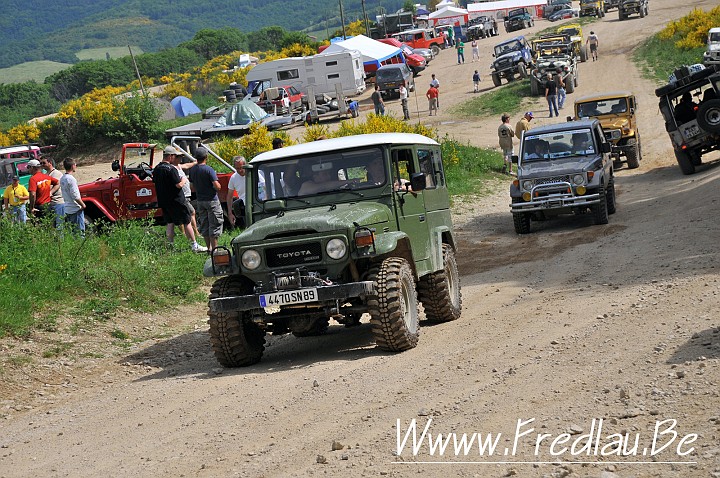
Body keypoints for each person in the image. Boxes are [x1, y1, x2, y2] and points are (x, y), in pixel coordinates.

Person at [154, 146, 207, 252]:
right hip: (177, 200)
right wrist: (183, 179)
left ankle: (170, 246)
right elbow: (178, 185)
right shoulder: (171, 169)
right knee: (187, 221)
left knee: (170, 222)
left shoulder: (157, 169)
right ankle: (194, 245)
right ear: (170, 156)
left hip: (164, 201)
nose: (174, 158)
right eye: (173, 156)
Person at [188, 147, 223, 251]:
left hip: (200, 201)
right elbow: (217, 186)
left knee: (204, 225)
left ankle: (209, 249)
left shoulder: (193, 170)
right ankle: (215, 250)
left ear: (196, 158)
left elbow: (191, 187)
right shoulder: (209, 169)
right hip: (212, 200)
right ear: (206, 157)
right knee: (214, 224)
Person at [59, 158, 86, 235]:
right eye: (75, 165)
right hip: (75, 208)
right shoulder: (71, 179)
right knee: (80, 232)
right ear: (72, 166)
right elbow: (75, 195)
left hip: (67, 208)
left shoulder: (62, 178)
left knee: (73, 232)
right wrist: (83, 204)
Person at [40, 157, 65, 227]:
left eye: (44, 163)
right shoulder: (46, 174)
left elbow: (57, 184)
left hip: (58, 202)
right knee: (52, 226)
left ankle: (61, 238)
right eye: (41, 163)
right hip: (49, 203)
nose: (42, 165)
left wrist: (50, 193)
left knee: (59, 225)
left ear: (50, 163)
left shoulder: (56, 173)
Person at [227, 155, 247, 229]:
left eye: (241, 168)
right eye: (237, 168)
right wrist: (230, 213)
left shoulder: (253, 173)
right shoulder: (233, 178)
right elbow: (229, 196)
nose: (240, 170)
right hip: (244, 208)